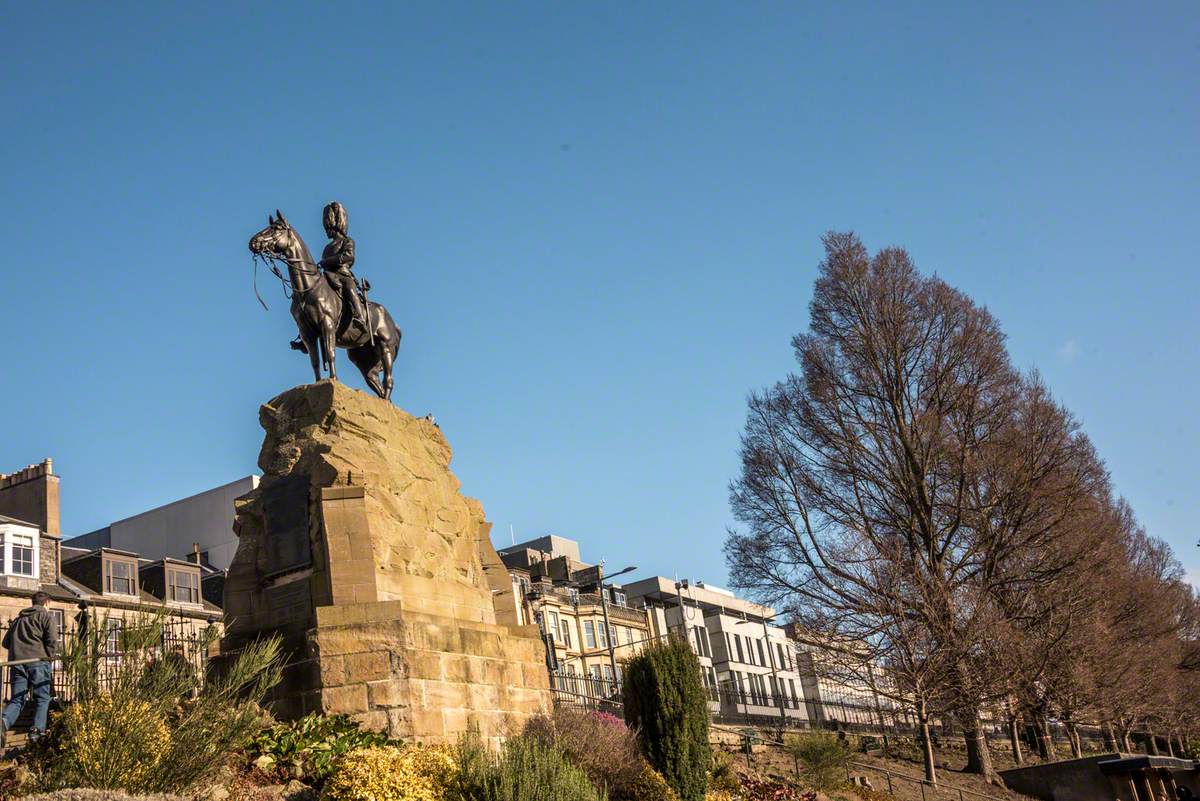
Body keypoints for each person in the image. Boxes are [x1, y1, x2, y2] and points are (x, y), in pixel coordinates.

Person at [1, 591, 60, 744]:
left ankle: (3, 722)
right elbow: (52, 641)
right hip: (38, 662)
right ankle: (36, 731)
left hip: (17, 664)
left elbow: (5, 643)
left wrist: (20, 647)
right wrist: (49, 657)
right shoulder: (47, 617)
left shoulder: (18, 620)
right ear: (47, 603)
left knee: (17, 700)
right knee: (42, 697)